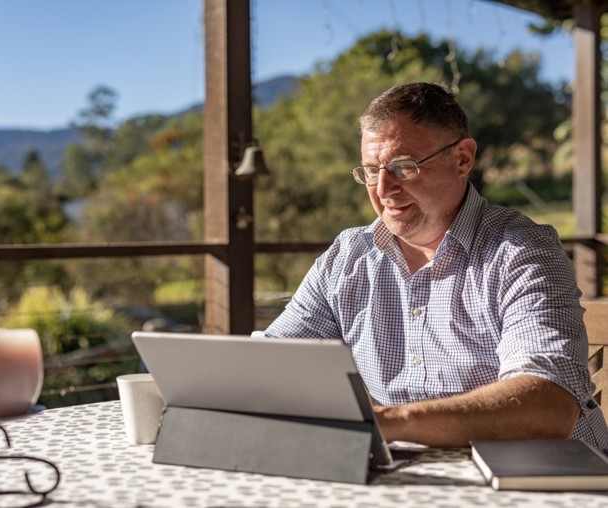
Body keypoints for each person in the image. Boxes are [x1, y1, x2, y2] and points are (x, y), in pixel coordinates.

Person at [258, 82, 608, 450]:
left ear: (462, 158)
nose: (382, 189)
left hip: (551, 484)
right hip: (420, 479)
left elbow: (547, 406)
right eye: (370, 171)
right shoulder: (347, 257)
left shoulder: (520, 251)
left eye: (403, 167)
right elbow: (271, 363)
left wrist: (391, 422)